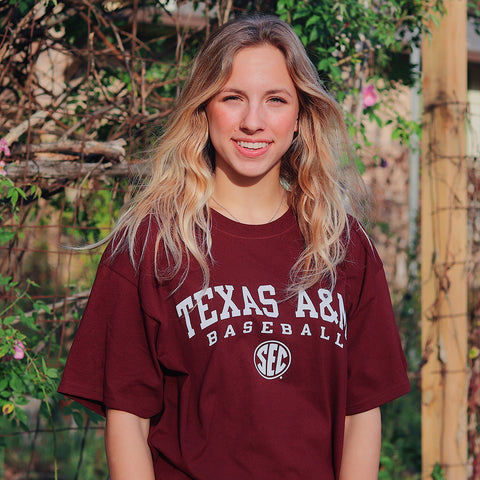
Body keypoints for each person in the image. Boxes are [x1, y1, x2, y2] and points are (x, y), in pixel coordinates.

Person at [58, 14, 410, 480]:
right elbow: (128, 421)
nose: (252, 122)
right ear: (204, 110)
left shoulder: (342, 246)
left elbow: (361, 414)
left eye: (275, 100)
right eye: (233, 98)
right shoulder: (150, 246)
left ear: (301, 116)